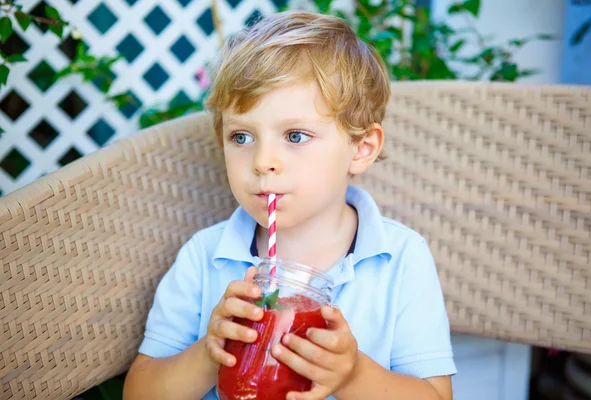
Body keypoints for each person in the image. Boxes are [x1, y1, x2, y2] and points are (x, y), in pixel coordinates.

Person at [123, 10, 456, 400]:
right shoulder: (205, 257)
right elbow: (139, 392)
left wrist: (352, 376)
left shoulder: (400, 259)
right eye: (242, 137)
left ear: (361, 149)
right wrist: (207, 356)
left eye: (295, 135)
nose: (263, 161)